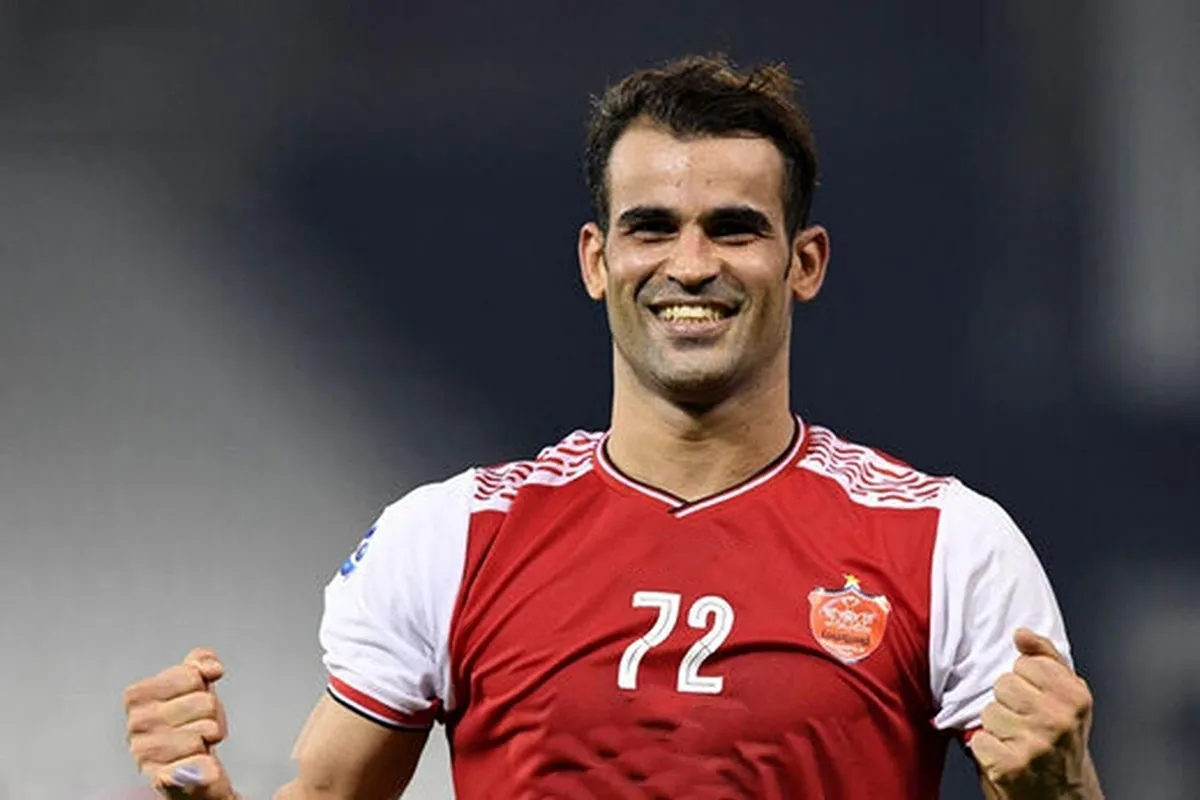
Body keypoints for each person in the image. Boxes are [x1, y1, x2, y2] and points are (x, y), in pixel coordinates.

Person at [122, 55, 1103, 799]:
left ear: (804, 262)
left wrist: (1060, 791)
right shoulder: (451, 537)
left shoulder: (947, 546)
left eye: (733, 227)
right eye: (651, 226)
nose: (691, 263)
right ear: (596, 260)